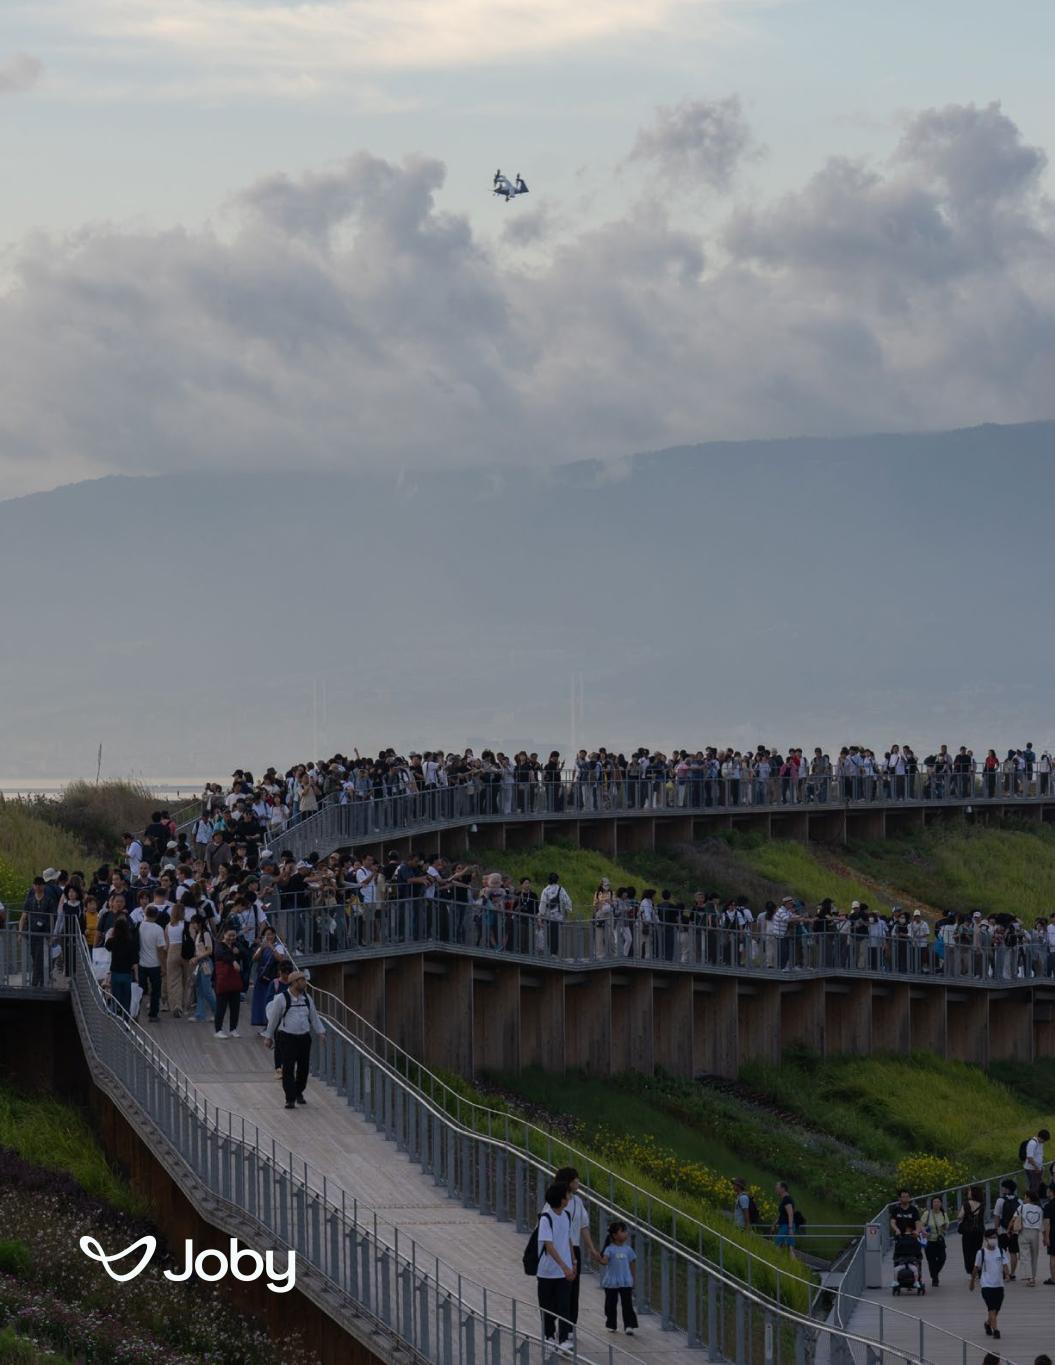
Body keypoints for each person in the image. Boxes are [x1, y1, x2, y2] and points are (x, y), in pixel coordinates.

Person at [264, 969, 326, 1109]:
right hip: (287, 1037)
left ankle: (299, 1092)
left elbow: (314, 1017)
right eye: (302, 980)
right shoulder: (281, 998)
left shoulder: (307, 999)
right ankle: (290, 1098)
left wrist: (321, 1032)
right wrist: (268, 1037)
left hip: (304, 1037)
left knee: (304, 1068)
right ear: (294, 983)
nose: (305, 983)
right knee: (288, 1068)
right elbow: (273, 1019)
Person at [554, 1166, 601, 1331]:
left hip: (575, 1248)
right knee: (562, 1289)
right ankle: (560, 1325)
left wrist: (592, 1249)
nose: (578, 1182)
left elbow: (583, 1226)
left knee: (574, 1290)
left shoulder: (578, 1201)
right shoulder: (555, 1200)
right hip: (560, 1250)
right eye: (575, 1180)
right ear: (568, 1182)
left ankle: (570, 1326)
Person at [535, 1181, 575, 1350]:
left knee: (564, 1305)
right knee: (547, 1307)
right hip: (547, 1272)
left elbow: (568, 1239)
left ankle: (564, 1338)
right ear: (561, 1198)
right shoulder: (546, 1218)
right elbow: (548, 1245)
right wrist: (564, 1266)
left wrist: (573, 1261)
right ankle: (549, 1335)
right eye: (567, 1194)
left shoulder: (567, 1216)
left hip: (563, 1272)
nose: (570, 1197)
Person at [970, 1225, 1009, 1340]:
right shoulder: (981, 1253)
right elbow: (976, 1268)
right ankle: (996, 1330)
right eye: (991, 1237)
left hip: (999, 1285)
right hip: (986, 1285)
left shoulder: (1001, 1251)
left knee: (996, 1309)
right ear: (986, 1239)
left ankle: (988, 1323)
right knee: (991, 1307)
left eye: (995, 1237)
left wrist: (1007, 1275)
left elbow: (1005, 1265)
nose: (993, 1240)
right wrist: (972, 1282)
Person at [599, 1220, 637, 1336]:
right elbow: (605, 1261)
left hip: (625, 1281)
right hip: (612, 1281)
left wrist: (633, 1278)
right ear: (615, 1235)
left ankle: (629, 1325)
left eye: (625, 1231)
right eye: (622, 1231)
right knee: (610, 1304)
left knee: (627, 1304)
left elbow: (632, 1263)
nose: (625, 1233)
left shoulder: (628, 1249)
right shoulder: (609, 1249)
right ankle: (611, 1324)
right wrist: (597, 1256)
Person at [136, 905, 167, 1023]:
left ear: (145, 914)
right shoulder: (158, 929)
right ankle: (153, 1015)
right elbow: (160, 950)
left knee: (140, 990)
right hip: (155, 964)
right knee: (155, 991)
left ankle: (135, 1012)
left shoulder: (139, 926)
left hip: (141, 963)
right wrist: (163, 966)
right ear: (156, 916)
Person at [212, 926, 243, 1038]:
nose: (231, 938)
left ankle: (233, 1028)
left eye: (233, 935)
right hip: (223, 980)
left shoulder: (236, 945)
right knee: (221, 1006)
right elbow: (221, 955)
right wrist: (233, 960)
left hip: (234, 980)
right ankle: (218, 1030)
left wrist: (238, 952)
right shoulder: (219, 945)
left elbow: (244, 953)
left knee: (235, 1006)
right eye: (229, 935)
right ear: (224, 935)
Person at [104, 914, 136, 1017]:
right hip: (127, 973)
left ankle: (115, 1017)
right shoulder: (130, 942)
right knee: (126, 999)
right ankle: (126, 1019)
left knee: (115, 998)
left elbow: (107, 946)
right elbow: (134, 959)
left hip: (115, 972)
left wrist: (112, 934)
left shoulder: (113, 941)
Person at [993, 1179, 1020, 1279]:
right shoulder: (1019, 1201)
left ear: (1007, 1189)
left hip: (1002, 1230)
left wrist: (996, 1229)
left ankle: (1004, 1273)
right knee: (1013, 1252)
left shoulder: (1000, 1200)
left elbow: (997, 1216)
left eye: (1003, 1187)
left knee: (1001, 1252)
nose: (1002, 1189)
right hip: (1014, 1231)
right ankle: (1012, 1274)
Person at [539, 874, 570, 958]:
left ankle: (548, 951)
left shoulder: (546, 890)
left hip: (548, 916)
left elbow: (543, 904)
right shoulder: (561, 889)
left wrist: (541, 915)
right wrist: (566, 912)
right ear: (557, 880)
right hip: (558, 917)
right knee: (556, 935)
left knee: (548, 934)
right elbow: (567, 901)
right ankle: (554, 953)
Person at [921, 1195, 948, 1287]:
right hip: (929, 1241)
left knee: (942, 1258)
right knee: (931, 1261)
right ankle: (935, 1279)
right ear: (932, 1204)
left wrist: (944, 1227)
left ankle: (934, 1274)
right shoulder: (927, 1214)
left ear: (941, 1203)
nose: (936, 1204)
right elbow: (921, 1225)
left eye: (938, 1202)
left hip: (939, 1240)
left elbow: (946, 1226)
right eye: (934, 1202)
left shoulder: (943, 1214)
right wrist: (924, 1231)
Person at [1018, 1187, 1043, 1285]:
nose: (1024, 1199)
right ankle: (1033, 1277)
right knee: (1034, 1256)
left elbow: (1014, 1218)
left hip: (1024, 1232)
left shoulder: (1022, 1207)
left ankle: (1029, 1278)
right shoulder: (1039, 1209)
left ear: (1028, 1198)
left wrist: (1009, 1229)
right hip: (1035, 1233)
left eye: (1025, 1197)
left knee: (1025, 1255)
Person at [958, 1185, 985, 1278]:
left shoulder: (966, 1204)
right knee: (977, 1251)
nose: (968, 1193)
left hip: (968, 1231)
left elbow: (960, 1216)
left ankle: (971, 1271)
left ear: (973, 1193)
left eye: (969, 1191)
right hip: (979, 1231)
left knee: (968, 1252)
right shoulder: (982, 1204)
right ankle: (979, 1269)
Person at [1025, 1129, 1049, 1199]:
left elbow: (1039, 1155)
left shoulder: (1040, 1143)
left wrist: (1040, 1167)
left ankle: (1034, 1199)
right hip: (1032, 1169)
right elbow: (1030, 1158)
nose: (1044, 1142)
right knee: (1034, 1187)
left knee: (1037, 1186)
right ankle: (1031, 1200)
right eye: (1044, 1140)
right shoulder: (1032, 1143)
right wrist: (1036, 1167)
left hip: (1037, 1168)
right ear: (1040, 1137)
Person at [773, 1182, 797, 1249]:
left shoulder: (787, 1199)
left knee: (777, 1244)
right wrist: (775, 1223)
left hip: (786, 1225)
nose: (775, 1190)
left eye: (777, 1188)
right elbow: (782, 1214)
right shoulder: (784, 1199)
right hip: (784, 1225)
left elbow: (790, 1214)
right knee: (783, 1246)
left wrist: (790, 1228)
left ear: (783, 1189)